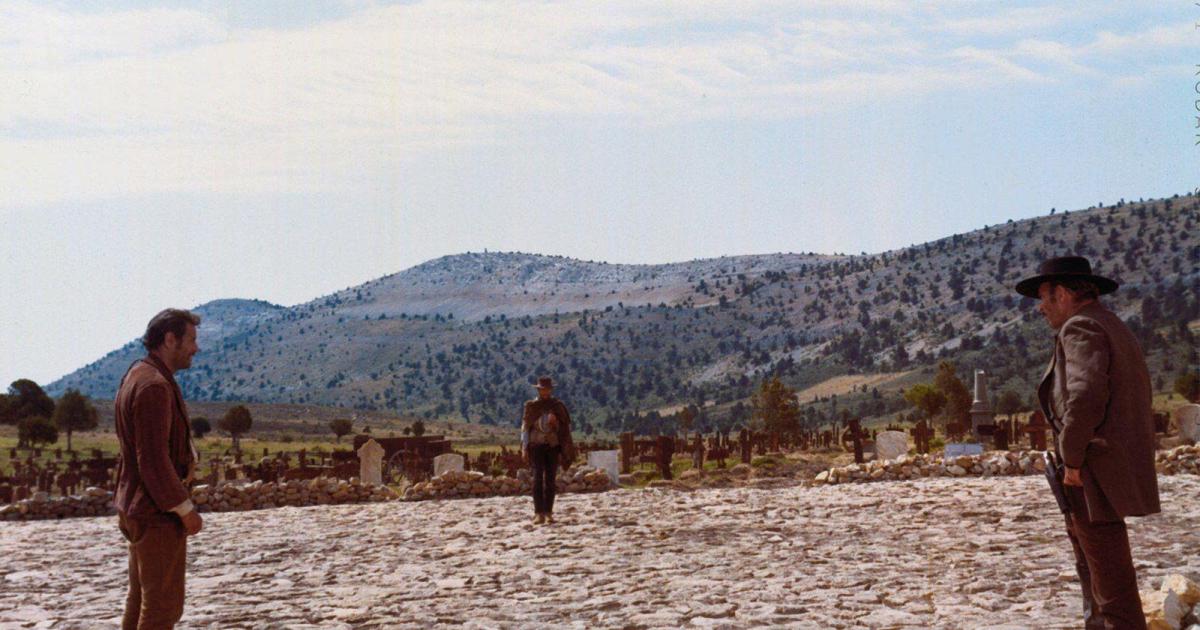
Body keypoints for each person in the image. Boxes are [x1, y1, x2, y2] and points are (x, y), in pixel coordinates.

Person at [1016, 256, 1160, 629]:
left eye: (1044, 297)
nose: (1041, 307)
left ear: (1062, 294)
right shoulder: (1110, 323)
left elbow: (1084, 397)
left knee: (1109, 581)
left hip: (1093, 468)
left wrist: (1072, 460)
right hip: (1105, 465)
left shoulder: (1080, 327)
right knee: (1101, 572)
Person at [113, 309, 203, 630]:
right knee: (162, 609)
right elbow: (153, 460)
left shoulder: (138, 374)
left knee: (141, 601)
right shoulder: (153, 385)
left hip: (138, 507)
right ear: (169, 339)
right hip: (156, 513)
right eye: (191, 340)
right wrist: (185, 509)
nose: (196, 348)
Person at [520, 376, 575, 524]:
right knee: (537, 479)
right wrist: (524, 447)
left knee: (550, 479)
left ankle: (549, 512)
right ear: (538, 390)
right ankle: (538, 513)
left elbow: (565, 428)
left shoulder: (557, 406)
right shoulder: (531, 406)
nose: (545, 392)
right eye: (542, 389)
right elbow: (525, 428)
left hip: (552, 446)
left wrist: (555, 422)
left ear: (551, 390)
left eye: (547, 389)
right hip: (536, 445)